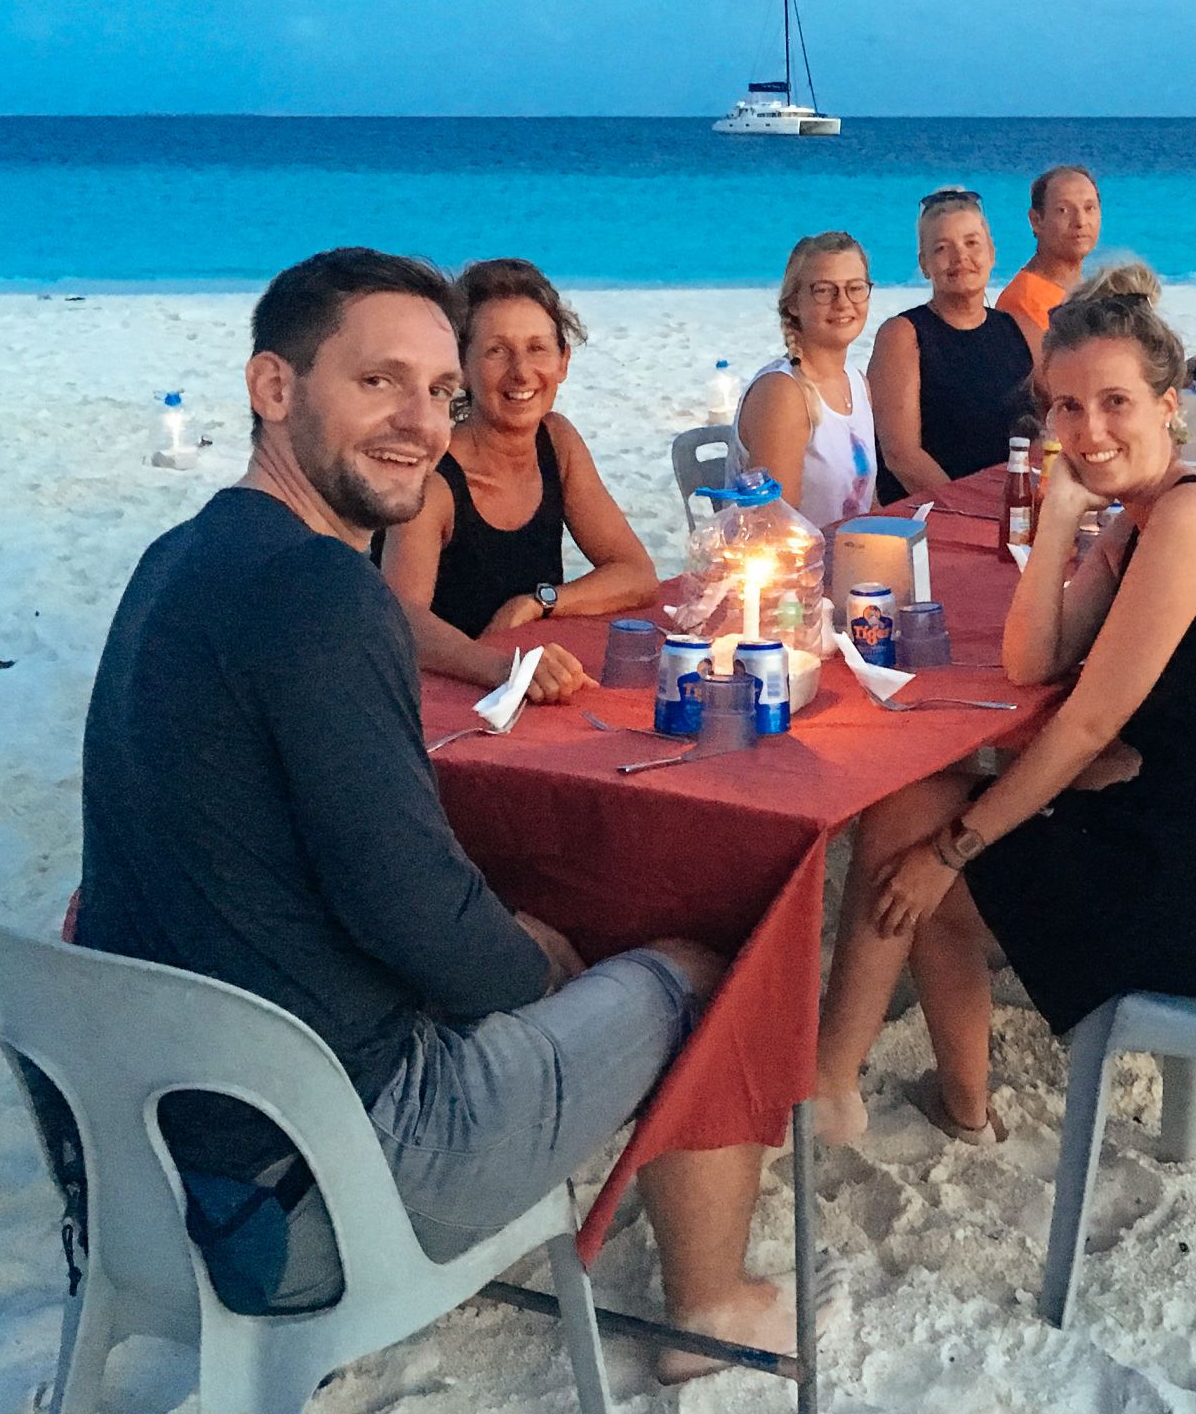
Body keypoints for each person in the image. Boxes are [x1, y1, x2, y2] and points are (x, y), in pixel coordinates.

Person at [75, 247, 792, 1370]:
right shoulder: (329, 597)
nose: (423, 420)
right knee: (706, 960)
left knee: (529, 930)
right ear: (274, 388)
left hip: (141, 1167)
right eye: (380, 383)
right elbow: (411, 910)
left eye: (438, 392)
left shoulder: (180, 558)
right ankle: (711, 1307)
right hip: (311, 1192)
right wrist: (536, 964)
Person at [814, 266, 1196, 1143]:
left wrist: (955, 851)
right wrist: (1059, 524)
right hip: (1181, 831)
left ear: (1169, 408)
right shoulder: (1140, 514)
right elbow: (1033, 661)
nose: (1089, 430)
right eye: (1066, 409)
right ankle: (909, 1092)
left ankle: (848, 1078)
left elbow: (1083, 724)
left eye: (1114, 403)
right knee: (906, 811)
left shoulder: (1188, 521)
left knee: (924, 857)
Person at [378, 258, 657, 705]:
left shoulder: (556, 440)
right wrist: (504, 667)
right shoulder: (433, 477)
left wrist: (538, 602)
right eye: (497, 351)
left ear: (563, 361)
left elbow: (636, 574)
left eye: (537, 349)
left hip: (529, 688)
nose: (522, 373)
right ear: (461, 369)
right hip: (442, 698)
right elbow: (398, 619)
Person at [870, 186, 1040, 501]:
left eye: (971, 243)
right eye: (942, 248)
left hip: (1014, 510)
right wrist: (973, 508)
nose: (960, 257)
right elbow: (901, 456)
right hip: (931, 515)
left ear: (991, 253)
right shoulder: (902, 336)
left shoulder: (1022, 330)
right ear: (924, 264)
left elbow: (1056, 420)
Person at [737, 231, 880, 527]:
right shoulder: (782, 392)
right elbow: (774, 525)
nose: (843, 303)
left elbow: (868, 503)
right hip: (799, 565)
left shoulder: (856, 383)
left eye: (855, 288)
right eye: (824, 290)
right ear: (793, 303)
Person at [994, 164, 1103, 333]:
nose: (1080, 221)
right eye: (1063, 210)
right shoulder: (1022, 303)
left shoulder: (1091, 292)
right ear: (1036, 220)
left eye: (1089, 208)